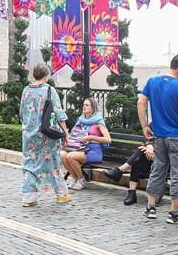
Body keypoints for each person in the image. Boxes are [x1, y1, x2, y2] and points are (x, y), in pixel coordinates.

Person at [137, 53, 178, 224]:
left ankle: (150, 207)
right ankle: (174, 212)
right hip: (177, 136)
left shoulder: (152, 81)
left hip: (159, 135)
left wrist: (144, 127)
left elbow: (141, 102)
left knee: (158, 169)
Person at [19, 63, 71, 206]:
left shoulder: (26, 90)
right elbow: (59, 113)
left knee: (30, 164)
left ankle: (29, 198)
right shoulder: (49, 90)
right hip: (47, 135)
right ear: (46, 76)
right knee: (53, 162)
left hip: (29, 134)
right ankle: (61, 193)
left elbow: (21, 113)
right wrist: (65, 132)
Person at [61, 98, 111, 191]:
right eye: (84, 105)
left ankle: (81, 180)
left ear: (93, 108)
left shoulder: (98, 121)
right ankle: (74, 178)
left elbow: (108, 139)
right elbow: (74, 134)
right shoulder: (81, 120)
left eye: (87, 105)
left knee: (71, 156)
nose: (84, 106)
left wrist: (91, 137)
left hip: (93, 151)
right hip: (80, 149)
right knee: (62, 154)